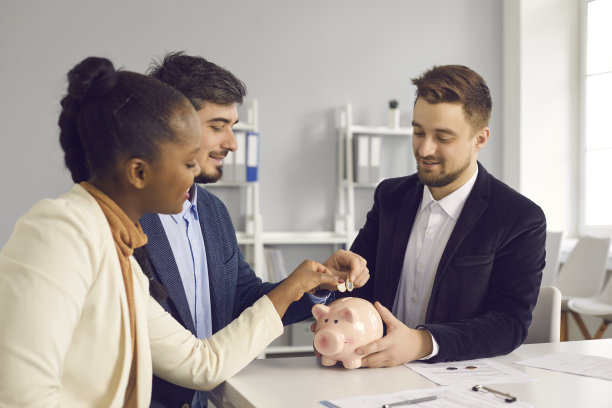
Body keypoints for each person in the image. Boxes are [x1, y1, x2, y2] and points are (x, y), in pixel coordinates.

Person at [0, 56, 343, 407]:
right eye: (186, 161)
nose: (194, 173)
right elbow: (22, 397)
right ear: (139, 171)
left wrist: (298, 286)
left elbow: (201, 362)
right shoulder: (59, 231)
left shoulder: (121, 248)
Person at [138, 51, 369, 407]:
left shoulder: (213, 211)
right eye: (217, 126)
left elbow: (244, 300)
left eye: (233, 126)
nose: (232, 143)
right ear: (170, 125)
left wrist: (312, 285)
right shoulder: (126, 221)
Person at [344, 65, 546, 366]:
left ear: (480, 139)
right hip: (375, 370)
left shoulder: (520, 218)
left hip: (457, 376)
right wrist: (334, 304)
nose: (425, 149)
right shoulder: (390, 196)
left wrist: (421, 343)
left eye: (443, 137)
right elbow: (359, 285)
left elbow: (509, 324)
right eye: (418, 132)